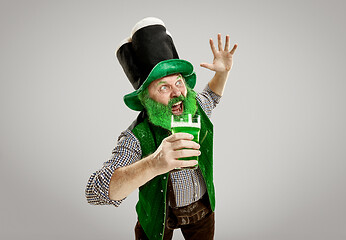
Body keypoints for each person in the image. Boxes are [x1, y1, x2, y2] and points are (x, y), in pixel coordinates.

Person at [85, 17, 237, 240]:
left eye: (178, 82)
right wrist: (154, 163)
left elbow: (211, 97)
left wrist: (222, 73)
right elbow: (95, 191)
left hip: (201, 210)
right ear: (146, 98)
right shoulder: (136, 137)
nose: (178, 93)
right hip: (157, 216)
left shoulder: (196, 108)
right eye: (164, 87)